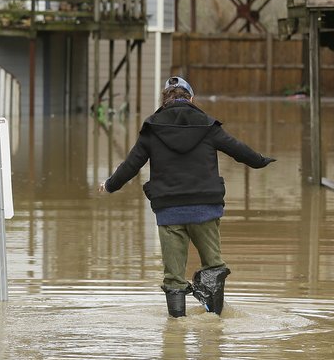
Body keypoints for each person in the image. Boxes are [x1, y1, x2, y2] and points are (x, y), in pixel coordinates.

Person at [99, 76, 275, 318]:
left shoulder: (152, 128)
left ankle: (176, 332)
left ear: (164, 100)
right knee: (213, 266)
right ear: (191, 99)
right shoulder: (207, 125)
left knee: (173, 277)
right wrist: (261, 161)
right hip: (205, 210)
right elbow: (238, 149)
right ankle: (214, 325)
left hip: (169, 213)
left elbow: (131, 165)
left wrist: (109, 185)